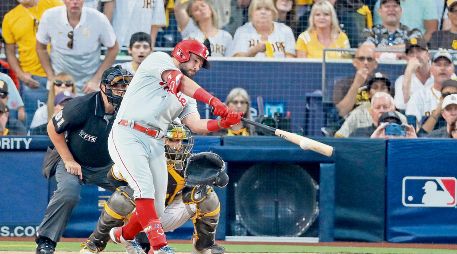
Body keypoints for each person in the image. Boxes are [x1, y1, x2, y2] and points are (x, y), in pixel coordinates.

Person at [106, 39, 242, 254]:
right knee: (144, 189)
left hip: (155, 141)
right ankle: (159, 247)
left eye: (200, 64)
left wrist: (223, 123)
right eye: (195, 60)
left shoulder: (188, 97)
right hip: (128, 132)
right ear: (182, 53)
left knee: (157, 208)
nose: (197, 67)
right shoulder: (158, 59)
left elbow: (196, 125)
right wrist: (213, 101)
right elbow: (177, 80)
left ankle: (123, 235)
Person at [80, 124, 226, 254]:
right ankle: (94, 244)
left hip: (165, 214)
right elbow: (112, 178)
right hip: (139, 214)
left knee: (206, 194)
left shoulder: (187, 163)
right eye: (172, 140)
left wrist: (216, 176)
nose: (178, 145)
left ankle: (204, 246)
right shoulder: (140, 157)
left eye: (181, 141)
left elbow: (217, 180)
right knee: (123, 196)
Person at [34, 66, 132, 254]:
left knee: (137, 191)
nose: (122, 90)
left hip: (107, 166)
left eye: (125, 86)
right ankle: (46, 241)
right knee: (68, 192)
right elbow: (52, 128)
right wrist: (68, 160)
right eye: (117, 85)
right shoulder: (81, 105)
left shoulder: (131, 109)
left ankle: (136, 240)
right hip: (73, 158)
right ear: (103, 86)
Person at [36, 0, 119, 94]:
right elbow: (40, 48)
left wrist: (96, 79)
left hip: (89, 85)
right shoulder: (50, 16)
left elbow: (114, 49)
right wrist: (51, 76)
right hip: (60, 84)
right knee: (58, 108)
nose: (74, 2)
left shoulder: (98, 18)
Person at [2, 0, 62, 92]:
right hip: (32, 79)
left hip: (61, 74)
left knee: (67, 106)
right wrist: (20, 75)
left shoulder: (53, 4)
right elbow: (10, 52)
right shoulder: (9, 18)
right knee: (35, 107)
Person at [334, 77, 406, 138]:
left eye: (383, 87)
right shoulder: (357, 114)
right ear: (368, 93)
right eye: (375, 87)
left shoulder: (400, 118)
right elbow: (340, 137)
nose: (379, 90)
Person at [406, 49, 455, 132]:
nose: (443, 68)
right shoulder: (418, 96)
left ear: (453, 69)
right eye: (438, 65)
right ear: (431, 69)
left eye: (446, 64)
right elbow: (414, 133)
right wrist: (438, 110)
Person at [227, 0, 295, 58]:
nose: (263, 12)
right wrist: (253, 51)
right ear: (251, 13)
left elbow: (291, 60)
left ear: (273, 13)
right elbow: (237, 60)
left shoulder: (285, 31)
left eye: (267, 9)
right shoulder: (242, 31)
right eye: (258, 8)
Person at [333, 43, 378, 118]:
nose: (365, 62)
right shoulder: (342, 83)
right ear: (354, 62)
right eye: (361, 59)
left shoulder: (382, 83)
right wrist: (356, 84)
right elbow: (341, 112)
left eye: (369, 59)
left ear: (375, 64)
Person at [393, 37, 433, 111]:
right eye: (411, 52)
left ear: (428, 55)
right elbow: (402, 105)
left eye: (419, 51)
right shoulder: (401, 80)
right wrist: (408, 71)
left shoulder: (439, 75)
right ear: (407, 58)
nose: (415, 56)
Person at [372, 0, 438, 42]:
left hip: (414, 52)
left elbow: (431, 31)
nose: (391, 9)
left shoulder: (414, 33)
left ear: (401, 11)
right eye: (387, 6)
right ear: (380, 11)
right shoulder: (379, 3)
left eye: (395, 6)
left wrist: (418, 48)